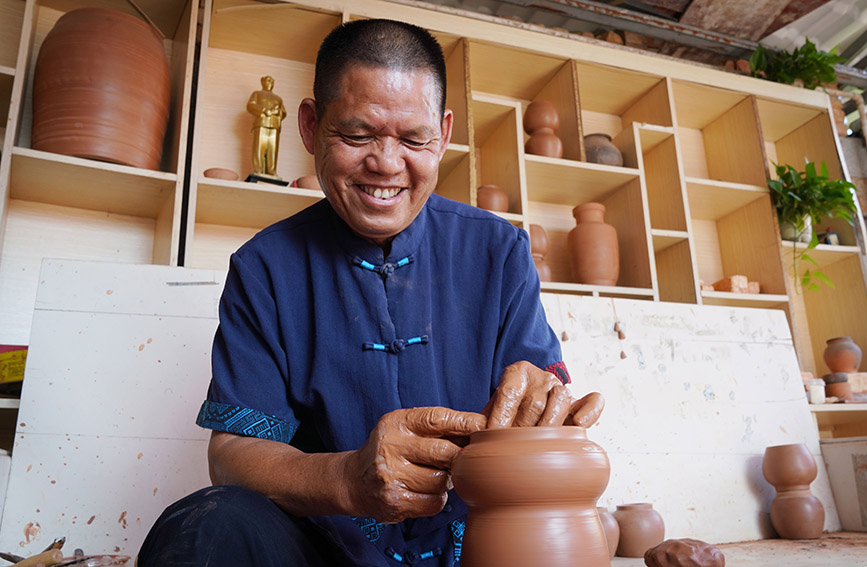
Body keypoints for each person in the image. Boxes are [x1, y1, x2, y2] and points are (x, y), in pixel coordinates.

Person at [139, 19, 604, 567]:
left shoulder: (499, 252)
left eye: (413, 139)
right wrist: (346, 479)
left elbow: (541, 394)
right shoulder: (265, 267)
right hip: (330, 545)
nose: (386, 163)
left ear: (444, 134)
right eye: (357, 135)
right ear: (311, 126)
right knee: (206, 525)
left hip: (476, 543)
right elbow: (232, 455)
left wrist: (544, 399)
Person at [247, 75, 287, 177]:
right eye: (268, 80)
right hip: (261, 123)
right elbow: (250, 105)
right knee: (259, 148)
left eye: (272, 81)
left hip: (274, 126)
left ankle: (272, 170)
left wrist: (278, 112)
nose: (270, 83)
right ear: (263, 82)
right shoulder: (257, 94)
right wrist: (264, 110)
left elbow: (284, 112)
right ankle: (258, 170)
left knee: (272, 149)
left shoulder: (278, 99)